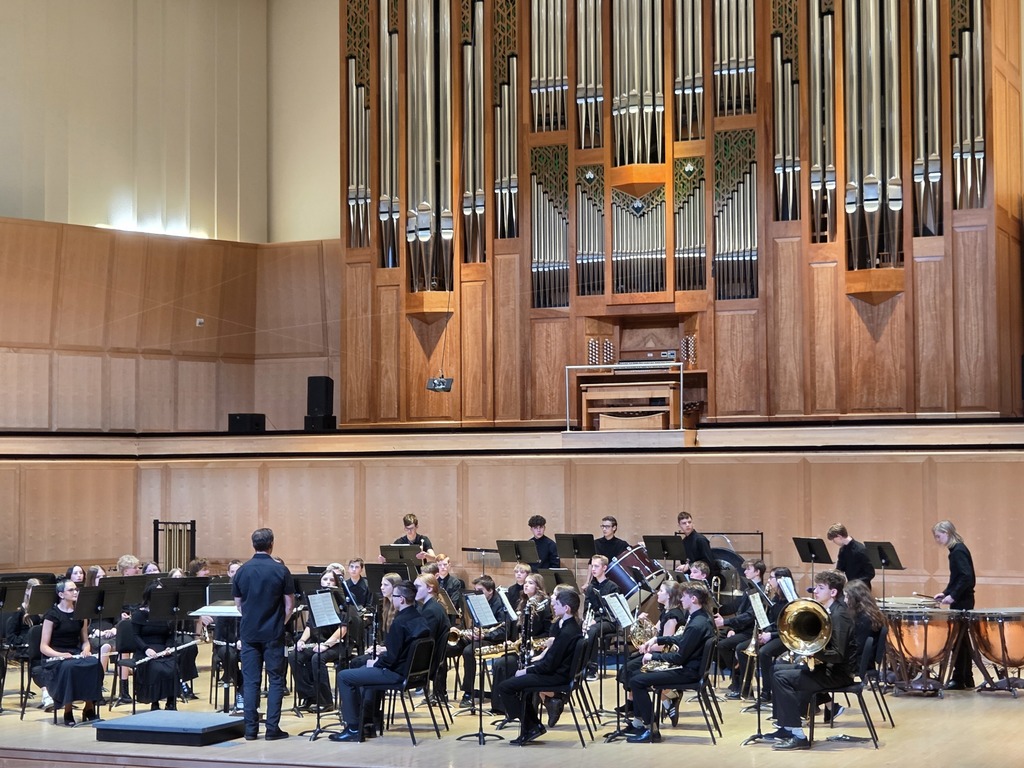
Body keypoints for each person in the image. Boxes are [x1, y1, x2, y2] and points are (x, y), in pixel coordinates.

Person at [329, 580, 429, 743]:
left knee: (344, 676)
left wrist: (375, 663)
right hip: (411, 673)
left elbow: (391, 659)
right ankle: (366, 724)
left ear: (402, 599)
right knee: (361, 670)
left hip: (395, 674)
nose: (392, 599)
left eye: (395, 596)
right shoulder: (419, 618)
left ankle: (354, 728)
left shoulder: (400, 622)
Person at [769, 569, 856, 750]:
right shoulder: (828, 611)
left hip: (837, 674)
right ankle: (785, 727)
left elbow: (838, 655)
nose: (815, 591)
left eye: (820, 587)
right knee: (776, 669)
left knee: (781, 677)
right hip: (827, 668)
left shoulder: (840, 615)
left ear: (833, 592)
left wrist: (812, 652)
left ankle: (798, 735)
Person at [625, 581, 716, 743]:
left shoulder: (696, 624)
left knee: (637, 680)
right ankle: (641, 723)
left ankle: (650, 729)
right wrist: (658, 638)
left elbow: (679, 658)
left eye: (684, 597)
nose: (681, 599)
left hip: (689, 673)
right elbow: (682, 639)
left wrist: (653, 657)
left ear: (693, 599)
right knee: (637, 674)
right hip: (690, 669)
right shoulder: (701, 617)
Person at [494, 587, 583, 745]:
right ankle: (532, 725)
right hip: (556, 673)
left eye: (556, 604)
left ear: (566, 608)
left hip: (556, 677)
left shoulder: (567, 632)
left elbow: (549, 665)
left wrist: (526, 670)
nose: (553, 607)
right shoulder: (571, 626)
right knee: (519, 688)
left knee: (506, 687)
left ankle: (530, 725)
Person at [232, 528, 295, 741]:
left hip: (249, 633)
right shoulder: (281, 570)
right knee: (276, 680)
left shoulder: (242, 571)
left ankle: (250, 730)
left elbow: (238, 605)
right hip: (273, 633)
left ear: (253, 545)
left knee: (251, 681)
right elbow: (289, 605)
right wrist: (280, 622)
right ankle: (272, 729)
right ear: (272, 544)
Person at [616, 580, 686, 718]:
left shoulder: (673, 616)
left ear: (669, 595)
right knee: (628, 665)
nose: (657, 593)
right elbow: (655, 631)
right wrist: (641, 622)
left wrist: (646, 647)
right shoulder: (667, 611)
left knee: (630, 669)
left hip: (665, 657)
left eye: (661, 591)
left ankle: (661, 698)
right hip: (656, 652)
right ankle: (634, 703)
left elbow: (665, 644)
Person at [39, 578, 104, 726]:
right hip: (56, 656)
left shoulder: (81, 613)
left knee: (94, 664)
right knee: (69, 668)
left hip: (75, 653)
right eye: (71, 590)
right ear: (61, 594)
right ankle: (68, 710)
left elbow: (85, 640)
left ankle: (89, 708)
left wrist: (86, 650)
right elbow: (44, 646)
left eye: (76, 589)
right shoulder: (51, 615)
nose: (75, 592)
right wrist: (61, 655)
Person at [490, 573, 553, 721]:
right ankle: (502, 707)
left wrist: (531, 641)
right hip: (521, 647)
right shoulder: (521, 603)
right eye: (525, 583)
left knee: (509, 664)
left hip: (537, 648)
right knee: (501, 663)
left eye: (530, 583)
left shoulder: (544, 605)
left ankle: (520, 709)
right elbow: (516, 630)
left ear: (538, 587)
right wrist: (511, 641)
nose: (526, 585)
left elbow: (548, 632)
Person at [291, 570, 347, 712]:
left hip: (338, 644)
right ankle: (309, 696)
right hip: (319, 643)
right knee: (294, 655)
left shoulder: (343, 600)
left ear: (336, 583)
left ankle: (326, 701)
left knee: (317, 658)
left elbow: (343, 629)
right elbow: (311, 625)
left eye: (331, 580)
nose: (328, 582)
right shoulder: (316, 599)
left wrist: (326, 645)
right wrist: (302, 640)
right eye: (325, 579)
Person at [933, 520, 976, 689]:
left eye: (938, 536)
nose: (937, 540)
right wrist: (946, 592)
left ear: (947, 533)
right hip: (962, 599)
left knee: (958, 642)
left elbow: (966, 577)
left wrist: (953, 596)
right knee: (962, 641)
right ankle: (966, 678)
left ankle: (960, 679)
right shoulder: (956, 549)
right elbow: (957, 578)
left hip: (963, 601)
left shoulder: (958, 551)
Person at [457, 575, 510, 707]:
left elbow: (504, 631)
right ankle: (439, 692)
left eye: (480, 590)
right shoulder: (478, 601)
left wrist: (484, 636)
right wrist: (469, 633)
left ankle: (468, 692)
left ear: (490, 590)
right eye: (475, 590)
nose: (477, 593)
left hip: (494, 640)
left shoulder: (501, 604)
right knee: (449, 646)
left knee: (469, 652)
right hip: (479, 637)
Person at [716, 559, 764, 699]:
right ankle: (737, 675)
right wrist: (732, 628)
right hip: (742, 629)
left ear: (757, 572)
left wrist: (725, 621)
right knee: (717, 640)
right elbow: (741, 613)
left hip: (751, 631)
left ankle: (741, 683)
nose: (745, 572)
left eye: (748, 569)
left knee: (725, 645)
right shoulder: (749, 589)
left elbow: (750, 616)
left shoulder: (758, 592)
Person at [131, 581, 180, 711]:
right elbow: (135, 636)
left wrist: (169, 647)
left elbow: (171, 634)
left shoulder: (168, 613)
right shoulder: (139, 614)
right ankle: (155, 702)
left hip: (163, 649)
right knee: (156, 668)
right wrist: (146, 649)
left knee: (173, 666)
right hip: (145, 650)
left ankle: (171, 701)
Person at [755, 566, 793, 705]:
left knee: (764, 652)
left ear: (781, 580)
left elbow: (790, 628)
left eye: (771, 578)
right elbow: (772, 621)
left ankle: (767, 691)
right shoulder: (776, 598)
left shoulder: (790, 600)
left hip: (787, 637)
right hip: (776, 634)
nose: (769, 581)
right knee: (758, 650)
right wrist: (765, 633)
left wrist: (770, 635)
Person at [412, 573, 451, 702]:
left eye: (417, 586)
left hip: (425, 664)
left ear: (429, 588)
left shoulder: (430, 611)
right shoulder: (435, 606)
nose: (414, 590)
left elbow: (424, 642)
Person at [582, 554, 621, 677]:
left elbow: (613, 613)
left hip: (609, 622)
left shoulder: (613, 587)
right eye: (592, 566)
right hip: (594, 621)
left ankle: (592, 669)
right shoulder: (590, 588)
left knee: (592, 630)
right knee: (575, 625)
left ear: (604, 568)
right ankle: (578, 666)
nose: (593, 569)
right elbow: (586, 608)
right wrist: (585, 620)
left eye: (596, 566)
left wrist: (595, 621)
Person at [827, 523, 875, 589]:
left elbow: (870, 573)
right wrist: (832, 575)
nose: (834, 542)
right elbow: (840, 570)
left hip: (862, 589)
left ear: (839, 536)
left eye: (833, 540)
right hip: (850, 587)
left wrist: (855, 584)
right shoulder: (842, 550)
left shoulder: (860, 549)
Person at [673, 511, 719, 579]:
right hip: (690, 577)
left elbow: (708, 562)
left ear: (692, 523)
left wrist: (688, 566)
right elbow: (685, 562)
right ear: (679, 526)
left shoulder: (700, 540)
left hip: (703, 578)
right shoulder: (683, 542)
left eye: (689, 522)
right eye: (684, 523)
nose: (687, 525)